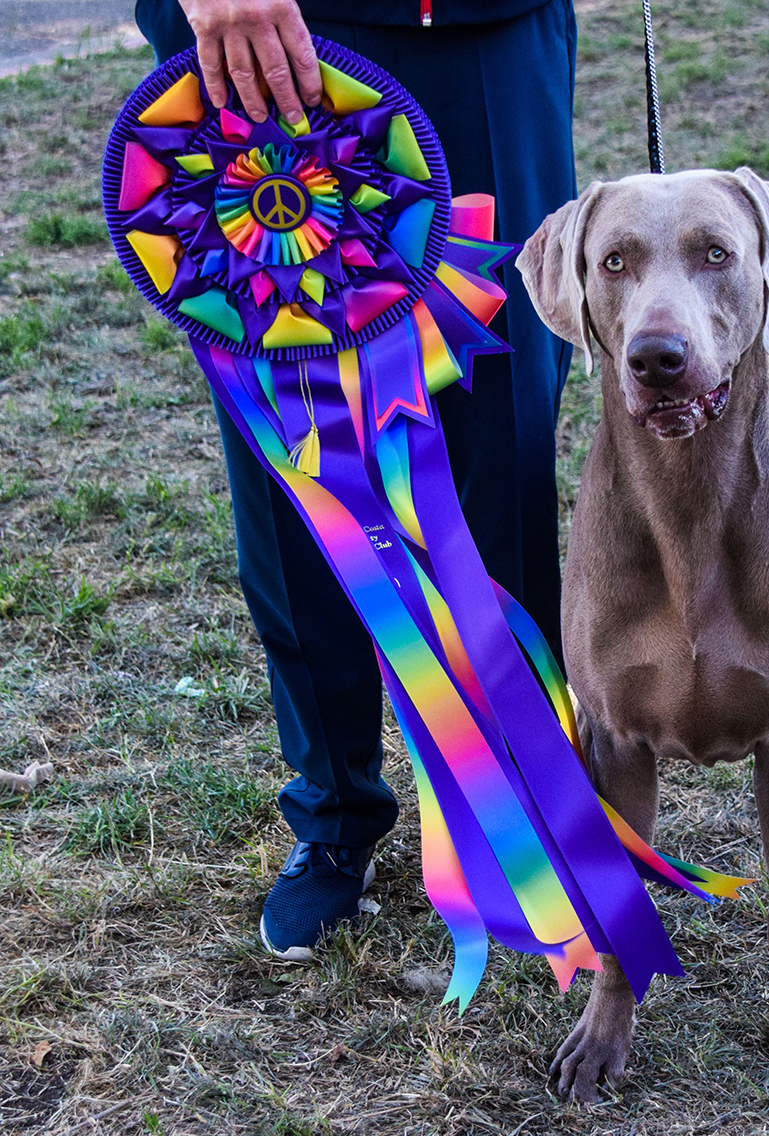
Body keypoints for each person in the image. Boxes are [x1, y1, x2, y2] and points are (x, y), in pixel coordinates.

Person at [133, 0, 576, 959]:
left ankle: (521, 803)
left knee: (503, 401)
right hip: (263, 26)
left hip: (487, 24)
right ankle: (335, 817)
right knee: (295, 425)